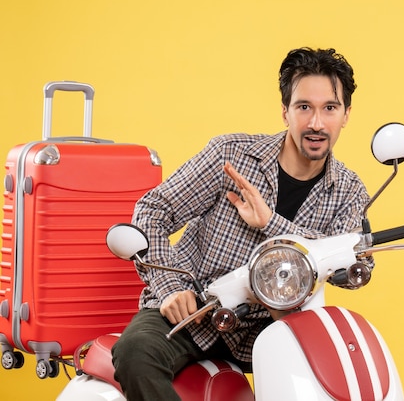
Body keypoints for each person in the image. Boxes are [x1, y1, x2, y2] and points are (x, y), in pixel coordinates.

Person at [111, 47, 371, 400]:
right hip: (197, 311)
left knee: (342, 368)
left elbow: (354, 264)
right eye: (304, 107)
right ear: (285, 112)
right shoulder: (231, 155)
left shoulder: (348, 190)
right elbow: (153, 210)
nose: (316, 123)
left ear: (346, 115)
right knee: (136, 352)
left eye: (330, 108)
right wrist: (171, 287)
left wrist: (270, 222)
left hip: (272, 327)